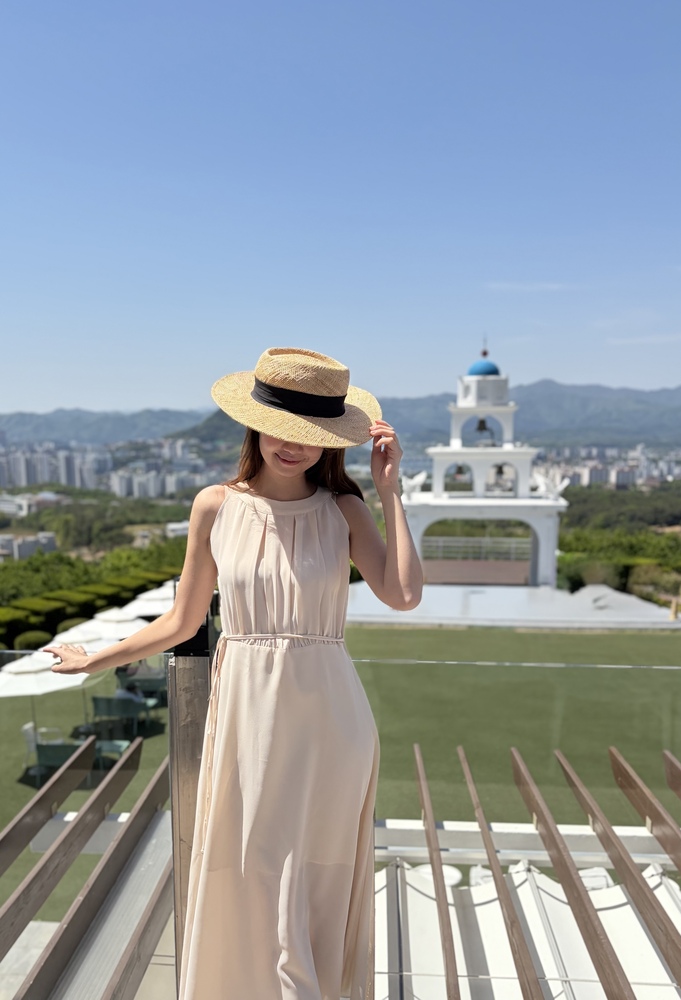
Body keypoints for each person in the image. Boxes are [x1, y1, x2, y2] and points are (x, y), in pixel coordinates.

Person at [46, 346, 423, 1000]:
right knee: (249, 869)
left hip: (331, 723)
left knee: (315, 876)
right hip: (247, 713)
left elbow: (404, 593)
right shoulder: (215, 506)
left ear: (331, 441)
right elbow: (183, 621)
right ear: (255, 423)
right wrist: (94, 658)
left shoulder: (343, 511)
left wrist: (389, 493)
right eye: (284, 428)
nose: (294, 446)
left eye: (312, 436)